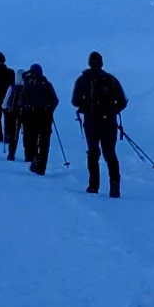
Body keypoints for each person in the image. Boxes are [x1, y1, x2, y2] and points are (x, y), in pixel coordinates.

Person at [72, 50, 130, 198]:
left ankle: (93, 186)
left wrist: (86, 107)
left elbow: (75, 101)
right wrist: (112, 112)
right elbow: (123, 101)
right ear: (102, 63)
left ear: (89, 63)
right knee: (110, 153)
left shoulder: (83, 79)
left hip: (91, 122)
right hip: (109, 122)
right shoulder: (111, 80)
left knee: (93, 152)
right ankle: (115, 186)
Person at [10, 64, 58, 173]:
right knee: (44, 143)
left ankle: (34, 159)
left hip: (31, 117)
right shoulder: (46, 84)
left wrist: (25, 109)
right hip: (46, 118)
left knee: (32, 139)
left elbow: (21, 101)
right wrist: (49, 110)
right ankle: (42, 167)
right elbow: (55, 100)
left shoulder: (28, 84)